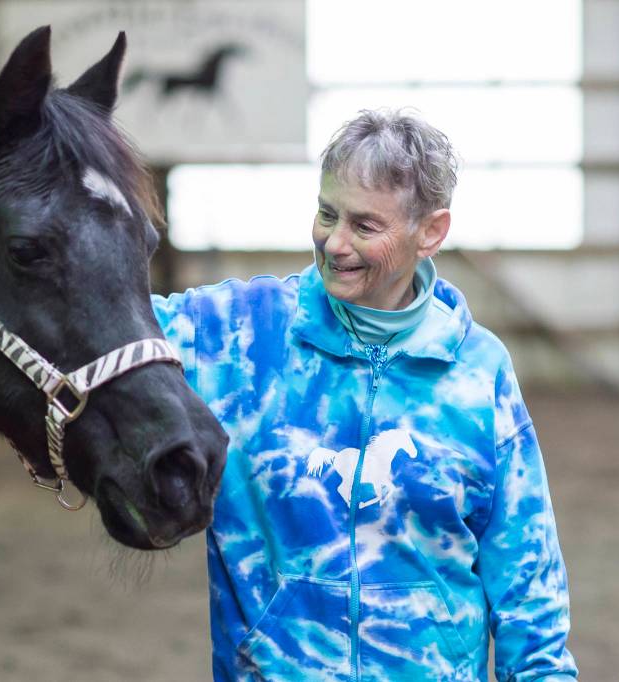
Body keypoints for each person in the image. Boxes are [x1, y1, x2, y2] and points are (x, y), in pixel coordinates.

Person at [153, 109, 577, 681]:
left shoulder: (479, 372)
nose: (335, 242)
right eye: (327, 214)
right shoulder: (237, 334)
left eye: (365, 226)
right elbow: (98, 328)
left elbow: (527, 576)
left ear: (430, 232)